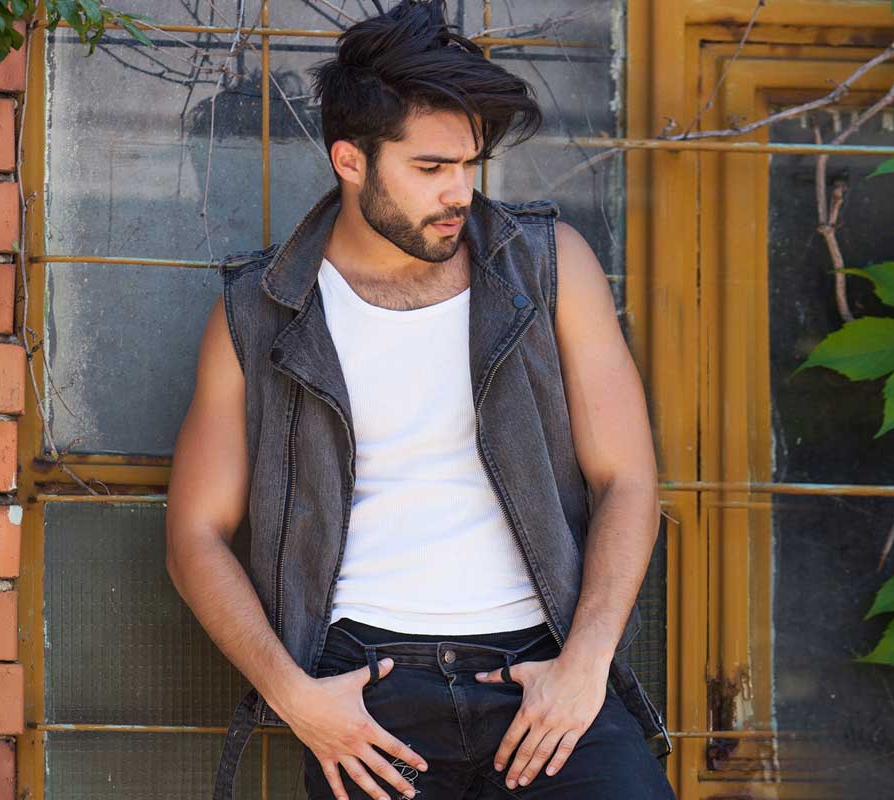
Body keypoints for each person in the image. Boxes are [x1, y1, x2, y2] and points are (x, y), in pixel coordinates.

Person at [165, 2, 675, 799]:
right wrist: (295, 697)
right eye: (431, 169)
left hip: (543, 671)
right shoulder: (259, 307)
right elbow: (195, 533)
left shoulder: (546, 267)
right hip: (366, 695)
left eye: (469, 166)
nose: (459, 193)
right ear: (350, 159)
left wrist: (586, 665)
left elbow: (629, 480)